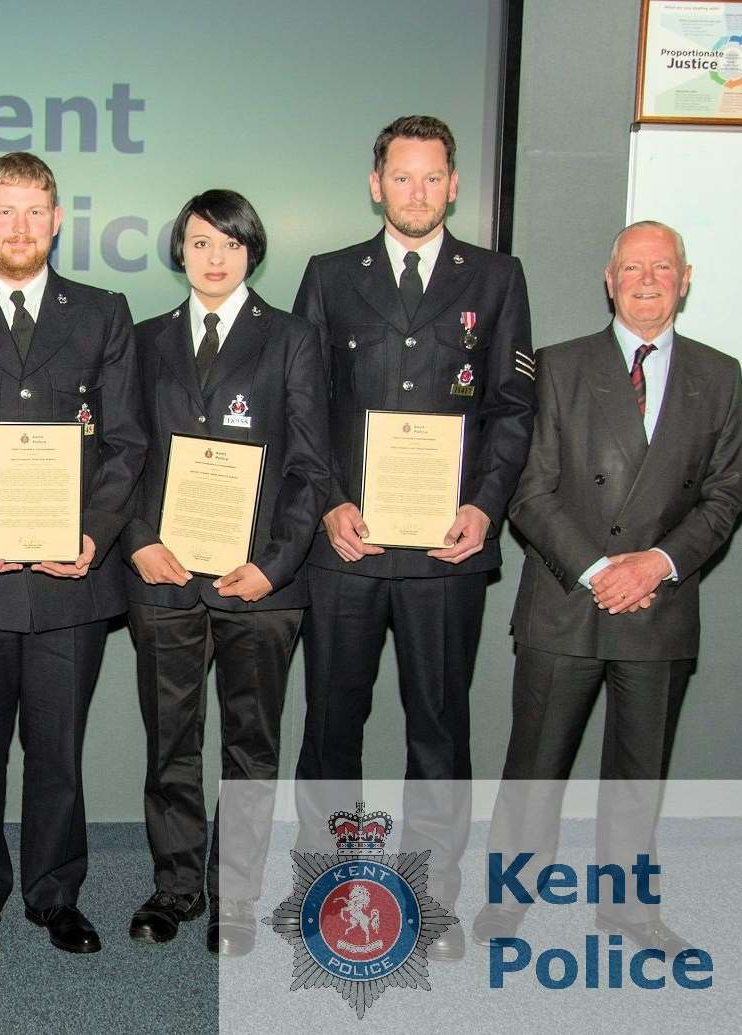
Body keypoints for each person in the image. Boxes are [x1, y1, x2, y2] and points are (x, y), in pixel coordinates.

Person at [291, 116, 535, 956]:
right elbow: (305, 407)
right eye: (402, 177)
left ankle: (430, 899)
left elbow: (510, 409)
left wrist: (486, 506)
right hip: (347, 546)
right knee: (332, 724)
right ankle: (332, 889)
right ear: (375, 183)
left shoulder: (497, 278)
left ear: (455, 186)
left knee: (439, 726)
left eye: (433, 178)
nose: (417, 193)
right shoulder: (329, 276)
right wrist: (326, 500)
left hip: (446, 551)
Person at [473, 221, 742, 953]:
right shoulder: (556, 367)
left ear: (684, 279)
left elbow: (725, 495)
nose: (647, 279)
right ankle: (510, 898)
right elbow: (528, 493)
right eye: (633, 267)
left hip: (660, 605)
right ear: (608, 278)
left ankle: (627, 909)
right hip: (566, 598)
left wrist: (654, 564)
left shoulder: (721, 377)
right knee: (534, 763)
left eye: (662, 267)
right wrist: (600, 570)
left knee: (638, 773)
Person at [0, 151, 146, 960]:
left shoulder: (103, 312)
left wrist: (96, 531)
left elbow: (126, 443)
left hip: (70, 579)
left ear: (56, 221)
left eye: (33, 211)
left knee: (58, 752)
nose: (18, 226)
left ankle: (56, 893)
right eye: (2, 210)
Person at [121, 190, 330, 955]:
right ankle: (175, 885)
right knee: (170, 740)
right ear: (180, 249)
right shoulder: (142, 341)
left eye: (231, 244)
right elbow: (123, 454)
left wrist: (274, 566)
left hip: (260, 585)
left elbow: (312, 465)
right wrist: (139, 538)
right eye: (201, 242)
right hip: (165, 576)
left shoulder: (293, 339)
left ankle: (235, 896)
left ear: (252, 253)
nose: (215, 257)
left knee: (251, 744)